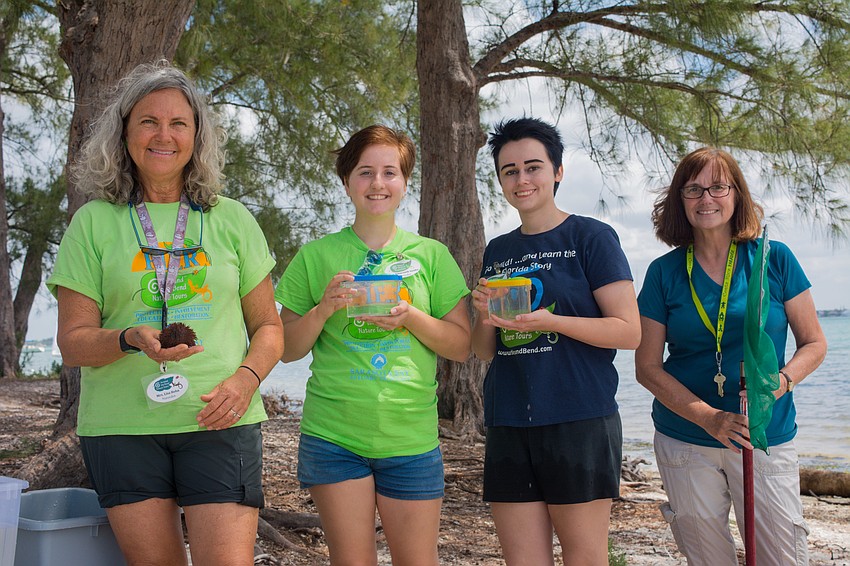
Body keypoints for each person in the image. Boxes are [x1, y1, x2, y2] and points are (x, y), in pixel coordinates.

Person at [47, 60, 284, 566]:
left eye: (179, 123)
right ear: (125, 132)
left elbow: (268, 327)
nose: (164, 135)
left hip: (220, 418)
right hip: (121, 427)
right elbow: (73, 341)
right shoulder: (92, 222)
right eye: (148, 122)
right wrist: (130, 338)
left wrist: (244, 381)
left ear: (196, 136)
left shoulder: (232, 218)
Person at [274, 124, 471, 565]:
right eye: (365, 172)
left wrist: (411, 316)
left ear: (404, 183)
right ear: (346, 181)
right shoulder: (316, 255)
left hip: (411, 438)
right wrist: (323, 309)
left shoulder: (431, 255)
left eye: (389, 172)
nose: (377, 184)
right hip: (334, 436)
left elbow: (461, 346)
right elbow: (286, 348)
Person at [634, 147, 827, 565]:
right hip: (686, 437)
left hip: (764, 435)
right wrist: (709, 417)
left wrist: (782, 382)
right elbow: (647, 368)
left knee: (782, 558)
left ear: (736, 194)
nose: (707, 198)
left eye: (718, 186)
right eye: (694, 189)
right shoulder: (663, 272)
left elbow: (814, 343)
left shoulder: (774, 258)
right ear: (679, 200)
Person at [470, 117, 641, 566]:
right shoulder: (498, 250)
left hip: (579, 418)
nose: (522, 179)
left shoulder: (591, 237)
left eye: (533, 167)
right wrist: (482, 316)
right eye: (510, 171)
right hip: (509, 420)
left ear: (557, 171)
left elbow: (628, 330)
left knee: (585, 557)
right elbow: (486, 352)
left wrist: (553, 321)